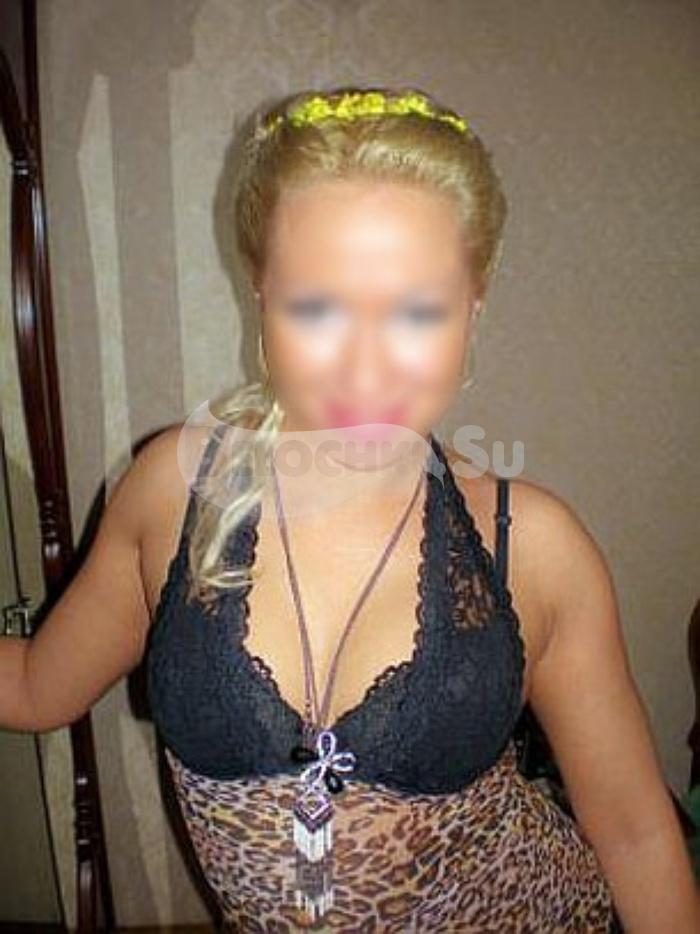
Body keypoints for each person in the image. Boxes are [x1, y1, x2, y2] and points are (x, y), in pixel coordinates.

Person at [1, 85, 697, 932]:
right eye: (317, 307)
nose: (366, 368)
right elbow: (35, 687)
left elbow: (632, 834)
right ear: (260, 293)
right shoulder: (173, 493)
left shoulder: (535, 547)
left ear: (475, 305)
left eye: (418, 311)